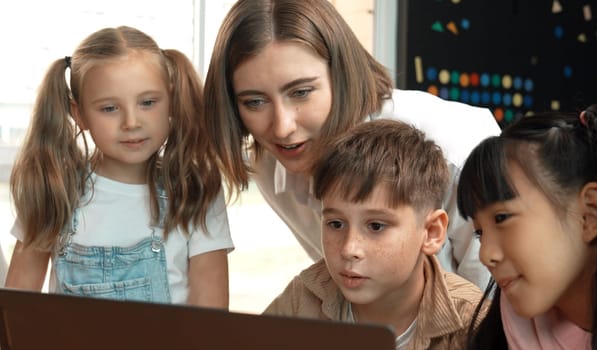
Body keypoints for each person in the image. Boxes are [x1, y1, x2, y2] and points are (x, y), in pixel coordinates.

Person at [203, 0, 499, 291]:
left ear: (341, 74)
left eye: (301, 92)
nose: (282, 127)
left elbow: (495, 313)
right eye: (254, 102)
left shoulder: (458, 150)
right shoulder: (272, 163)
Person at [5, 26, 234, 307]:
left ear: (172, 100)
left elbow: (210, 316)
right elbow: (15, 311)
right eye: (109, 108)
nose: (131, 122)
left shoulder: (196, 191)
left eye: (148, 102)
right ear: (79, 114)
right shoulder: (54, 189)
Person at [264, 119, 484, 349]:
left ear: (431, 232)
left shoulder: (474, 324)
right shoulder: (302, 301)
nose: (349, 249)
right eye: (336, 224)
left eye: (376, 226)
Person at [456, 104, 597, 349]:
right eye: (480, 233)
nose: (486, 255)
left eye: (502, 218)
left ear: (590, 214)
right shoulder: (511, 328)